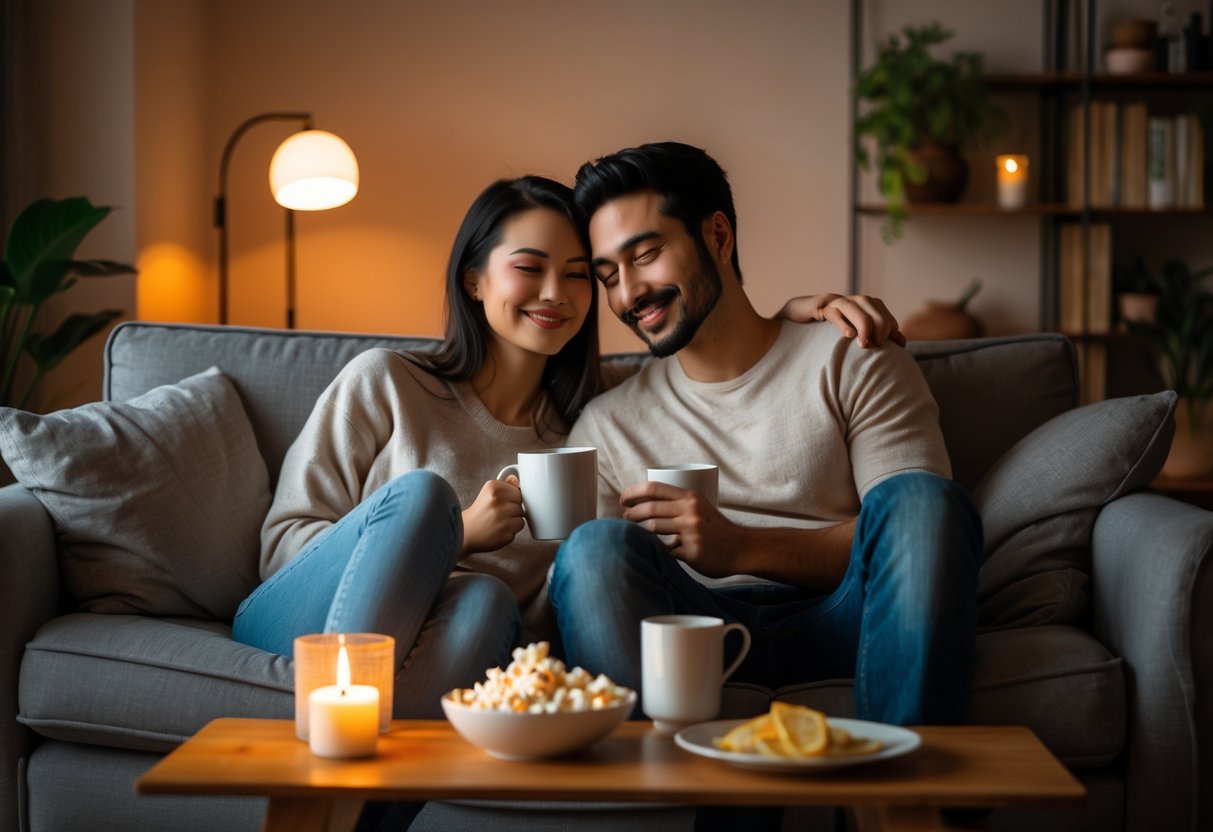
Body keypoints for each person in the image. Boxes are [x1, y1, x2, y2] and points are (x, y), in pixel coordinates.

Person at [231, 174, 900, 721]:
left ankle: (352, 768)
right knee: (424, 501)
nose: (557, 294)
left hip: (449, 651)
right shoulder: (385, 383)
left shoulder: (594, 417)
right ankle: (336, 710)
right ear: (474, 279)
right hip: (311, 623)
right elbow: (282, 546)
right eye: (530, 268)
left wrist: (789, 316)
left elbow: (706, 355)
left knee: (486, 601)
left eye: (581, 274)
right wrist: (455, 534)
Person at [550, 142, 984, 731]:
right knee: (592, 549)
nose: (628, 294)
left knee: (924, 502)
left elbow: (916, 535)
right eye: (608, 276)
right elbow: (583, 584)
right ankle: (654, 811)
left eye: (647, 254)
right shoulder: (607, 423)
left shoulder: (851, 356)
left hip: (850, 616)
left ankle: (903, 804)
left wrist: (740, 547)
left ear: (719, 238)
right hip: (692, 630)